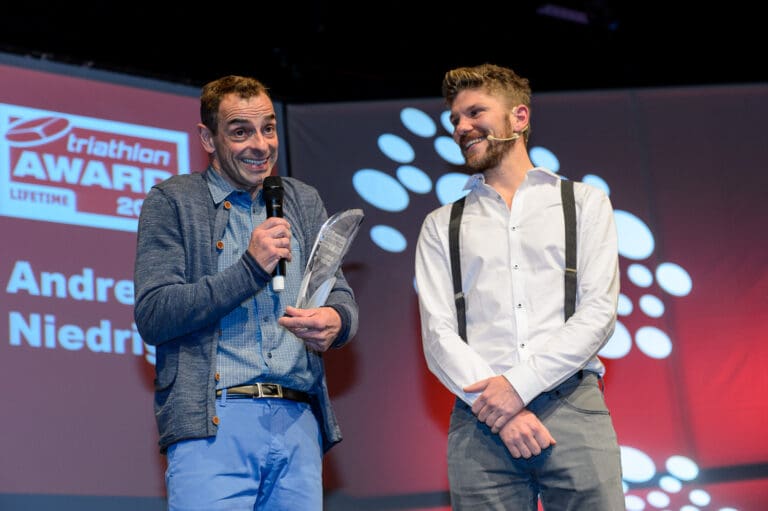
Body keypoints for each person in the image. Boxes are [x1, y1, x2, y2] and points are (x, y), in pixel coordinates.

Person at [133, 75, 358, 511]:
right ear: (208, 138)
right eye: (240, 131)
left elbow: (341, 293)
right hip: (214, 422)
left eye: (268, 128)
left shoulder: (302, 199)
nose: (260, 144)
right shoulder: (173, 200)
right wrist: (250, 269)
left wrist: (338, 321)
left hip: (298, 421)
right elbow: (155, 313)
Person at [414, 63, 625, 510]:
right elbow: (438, 336)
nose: (462, 127)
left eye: (475, 112)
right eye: (455, 119)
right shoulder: (440, 225)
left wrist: (517, 388)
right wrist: (500, 407)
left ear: (519, 117)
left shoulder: (584, 203)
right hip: (479, 418)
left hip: (573, 403)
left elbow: (598, 314)